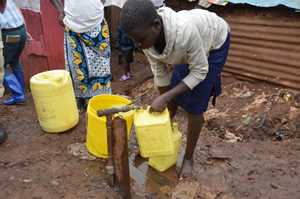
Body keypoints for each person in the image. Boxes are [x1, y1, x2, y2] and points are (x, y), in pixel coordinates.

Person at [120, 0, 230, 177]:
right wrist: (167, 98)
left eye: (140, 40)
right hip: (186, 48)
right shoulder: (146, 38)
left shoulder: (184, 33)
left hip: (214, 42)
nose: (138, 46)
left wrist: (167, 96)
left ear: (156, 25)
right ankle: (158, 141)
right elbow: (159, 71)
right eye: (134, 41)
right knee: (172, 99)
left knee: (195, 105)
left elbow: (200, 71)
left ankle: (188, 158)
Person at [50, 0, 112, 109]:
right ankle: (81, 99)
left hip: (96, 22)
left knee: (101, 65)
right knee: (77, 66)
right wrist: (60, 10)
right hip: (72, 24)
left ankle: (100, 99)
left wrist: (97, 4)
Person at [0, 0, 27, 105]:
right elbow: (19, 12)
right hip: (22, 30)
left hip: (10, 34)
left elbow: (2, 23)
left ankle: (18, 94)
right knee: (15, 61)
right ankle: (21, 90)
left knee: (3, 65)